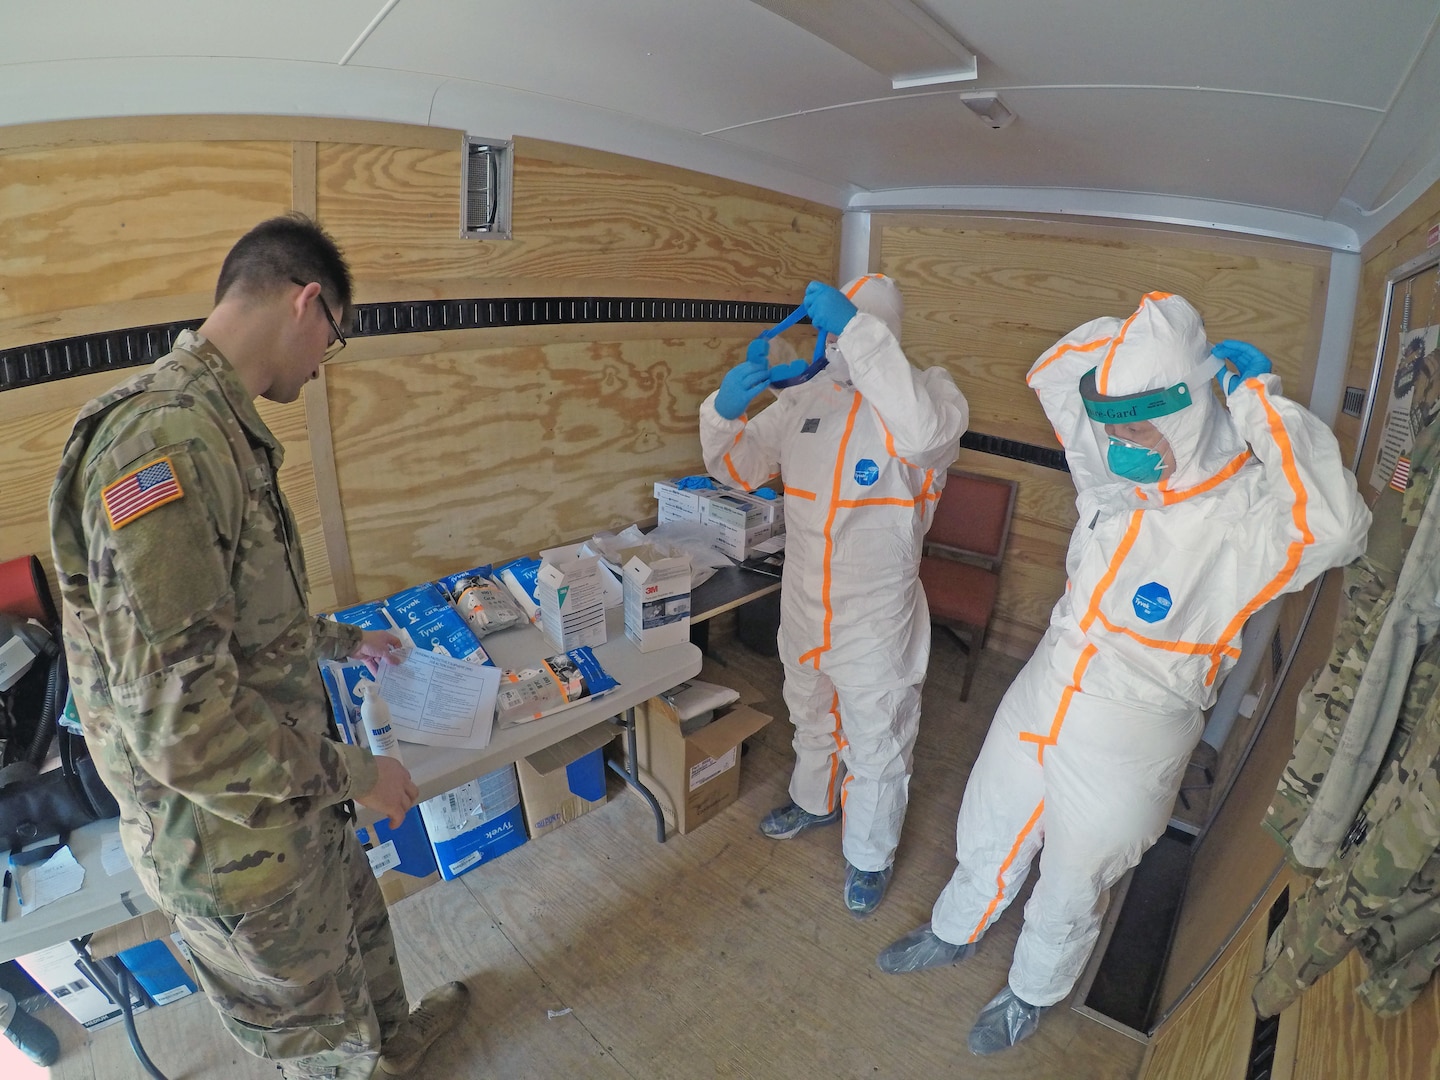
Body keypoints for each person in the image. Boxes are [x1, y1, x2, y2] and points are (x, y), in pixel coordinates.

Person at [876, 291, 1371, 1054]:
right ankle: (955, 926)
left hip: (1134, 726)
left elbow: (1338, 529)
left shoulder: (1245, 515)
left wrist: (1258, 405)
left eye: (1142, 426)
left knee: (1079, 870)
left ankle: (1031, 989)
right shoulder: (1116, 480)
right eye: (1116, 427)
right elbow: (1060, 376)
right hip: (1048, 682)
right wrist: (1138, 349)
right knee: (992, 814)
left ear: (1189, 415)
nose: (1124, 442)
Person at [49, 215, 468, 1079]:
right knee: (317, 1039)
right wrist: (361, 774)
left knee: (357, 952)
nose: (322, 368)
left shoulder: (214, 427)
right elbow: (184, 727)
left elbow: (229, 619)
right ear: (306, 303)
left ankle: (396, 1046)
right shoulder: (161, 444)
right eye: (335, 341)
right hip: (233, 852)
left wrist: (347, 643)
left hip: (288, 810)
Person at [699, 273, 969, 915]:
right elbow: (741, 469)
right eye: (830, 330)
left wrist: (859, 331)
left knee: (878, 735)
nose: (835, 344)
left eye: (847, 328)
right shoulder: (807, 398)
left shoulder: (929, 395)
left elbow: (928, 439)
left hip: (876, 613)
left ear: (878, 331)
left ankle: (870, 856)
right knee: (810, 706)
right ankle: (815, 800)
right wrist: (723, 413)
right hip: (804, 600)